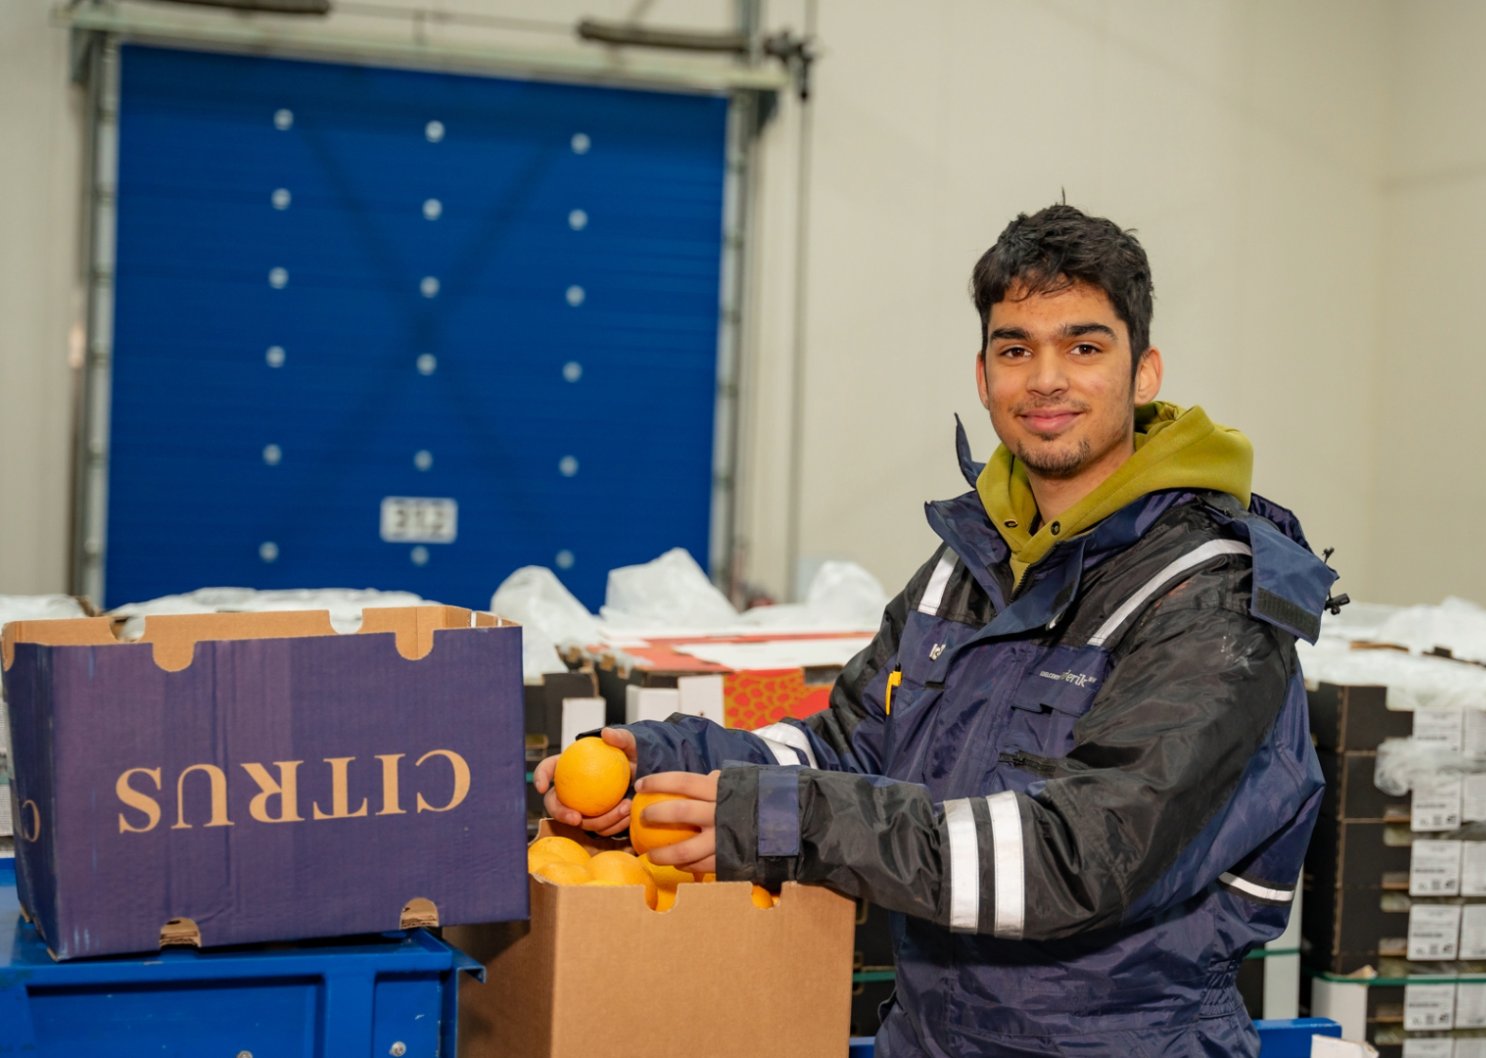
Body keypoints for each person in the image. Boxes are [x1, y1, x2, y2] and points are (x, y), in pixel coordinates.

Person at [535, 204, 1336, 1057]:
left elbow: (1081, 856)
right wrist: (666, 765)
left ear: (1145, 374)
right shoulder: (969, 567)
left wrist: (786, 820)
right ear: (984, 374)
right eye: (1016, 348)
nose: (1046, 379)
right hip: (926, 1036)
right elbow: (846, 748)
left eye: (1085, 346)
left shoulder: (1212, 596)